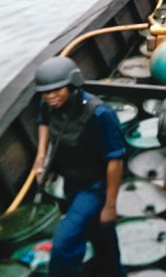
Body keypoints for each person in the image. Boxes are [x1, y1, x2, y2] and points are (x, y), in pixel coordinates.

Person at [34, 56, 126, 277]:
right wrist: (41, 156)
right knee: (101, 233)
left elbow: (115, 160)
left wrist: (110, 205)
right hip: (71, 181)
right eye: (45, 92)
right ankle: (113, 272)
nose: (50, 96)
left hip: (95, 187)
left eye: (56, 90)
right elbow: (44, 122)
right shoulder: (49, 104)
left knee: (64, 245)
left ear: (72, 85)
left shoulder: (100, 114)